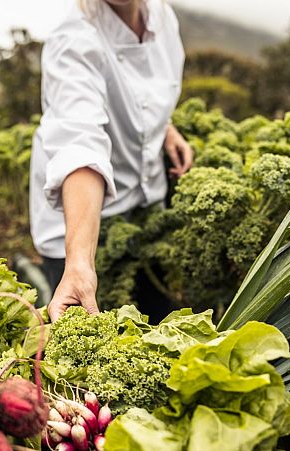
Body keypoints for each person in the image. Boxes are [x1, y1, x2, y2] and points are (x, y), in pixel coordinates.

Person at [29, 0, 193, 322]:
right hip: (80, 220)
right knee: (96, 343)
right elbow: (80, 143)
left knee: (157, 315)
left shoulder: (161, 17)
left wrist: (165, 128)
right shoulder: (73, 38)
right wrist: (78, 263)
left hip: (143, 204)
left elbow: (144, 92)